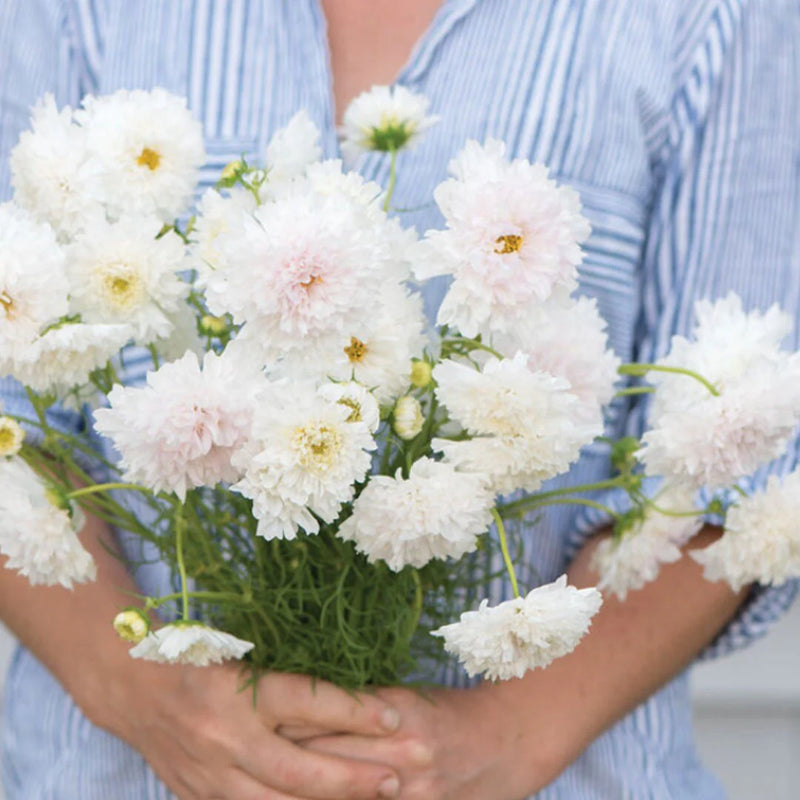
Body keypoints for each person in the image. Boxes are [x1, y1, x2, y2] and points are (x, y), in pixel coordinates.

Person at [1, 1, 798, 798]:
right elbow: (11, 416)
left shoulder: (711, 16)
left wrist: (513, 733)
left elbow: (747, 462)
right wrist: (149, 699)